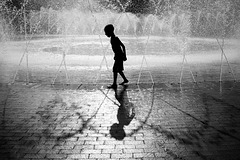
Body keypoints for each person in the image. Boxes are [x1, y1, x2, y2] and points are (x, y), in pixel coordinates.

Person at [104, 24, 129, 89]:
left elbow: (123, 46)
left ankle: (114, 84)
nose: (105, 34)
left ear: (110, 31)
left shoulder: (115, 38)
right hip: (118, 56)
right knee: (119, 70)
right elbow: (117, 49)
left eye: (106, 32)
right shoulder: (112, 38)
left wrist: (124, 55)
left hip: (119, 56)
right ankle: (125, 80)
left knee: (115, 69)